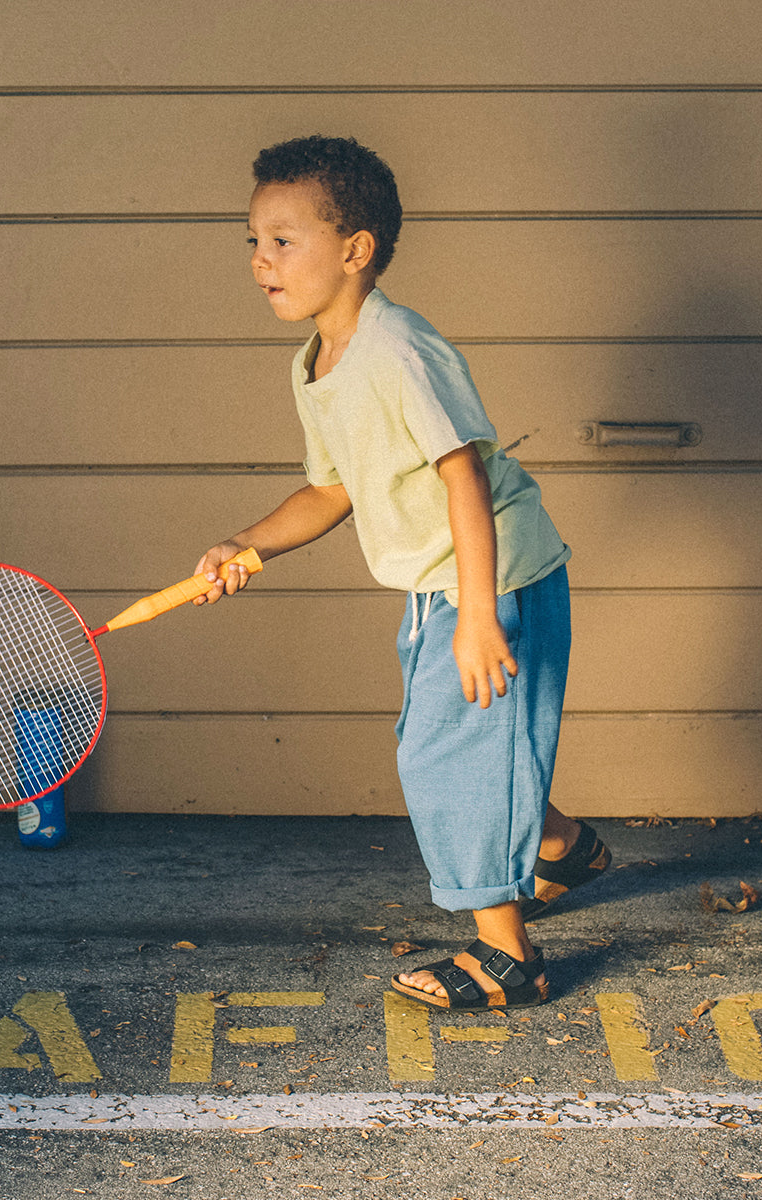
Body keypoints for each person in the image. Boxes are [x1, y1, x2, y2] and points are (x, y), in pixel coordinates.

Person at [193, 135, 611, 1010]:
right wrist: (249, 544)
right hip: (440, 589)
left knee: (442, 758)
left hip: (490, 582)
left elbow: (462, 474)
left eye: (283, 239)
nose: (262, 261)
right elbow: (331, 489)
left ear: (355, 250)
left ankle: (510, 961)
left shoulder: (399, 351)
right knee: (465, 748)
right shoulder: (317, 364)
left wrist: (477, 614)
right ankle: (563, 848)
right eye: (253, 243)